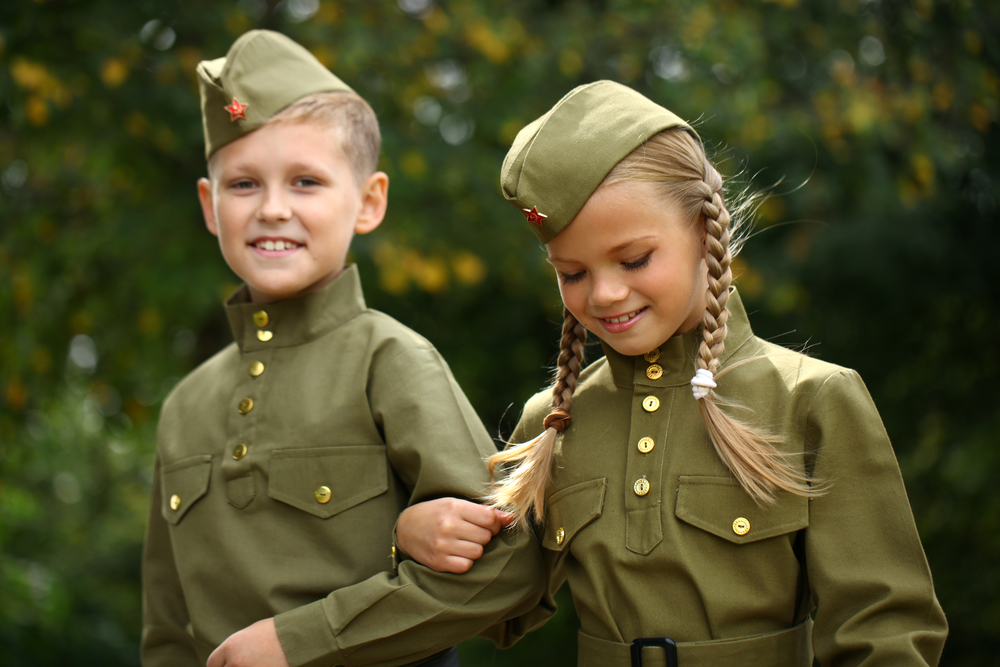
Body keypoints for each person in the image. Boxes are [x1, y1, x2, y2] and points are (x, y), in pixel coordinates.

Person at [395, 80, 948, 666]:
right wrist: (408, 538)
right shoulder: (554, 423)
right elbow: (497, 609)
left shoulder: (810, 400)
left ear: (707, 231)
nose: (605, 294)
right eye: (572, 273)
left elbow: (884, 628)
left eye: (634, 259)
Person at [140, 29, 542, 667]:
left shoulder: (392, 361)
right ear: (209, 205)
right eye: (242, 185)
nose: (272, 209)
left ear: (369, 201)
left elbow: (508, 568)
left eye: (305, 182)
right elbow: (165, 628)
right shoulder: (185, 405)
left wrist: (299, 643)